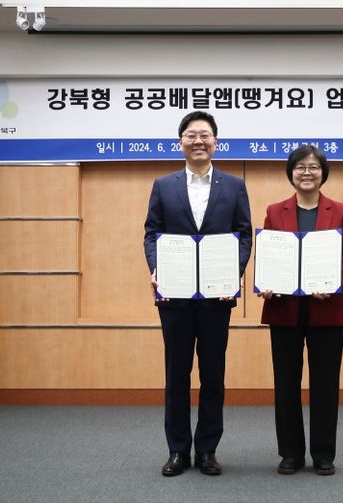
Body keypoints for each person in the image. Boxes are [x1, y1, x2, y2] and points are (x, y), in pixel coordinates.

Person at [143, 111, 252, 477]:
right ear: (181, 143)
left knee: (213, 376)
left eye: (205, 135)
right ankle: (177, 450)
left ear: (215, 142)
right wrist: (156, 267)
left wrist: (233, 274)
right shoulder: (163, 185)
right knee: (176, 376)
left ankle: (207, 450)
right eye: (191, 135)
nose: (198, 141)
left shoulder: (234, 186)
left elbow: (244, 234)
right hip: (174, 298)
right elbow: (152, 233)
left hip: (216, 299)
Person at [257, 144, 343, 476]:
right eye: (300, 167)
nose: (306, 172)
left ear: (323, 173)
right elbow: (268, 255)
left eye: (313, 167)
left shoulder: (339, 210)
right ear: (291, 173)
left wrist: (332, 281)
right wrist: (266, 282)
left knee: (325, 383)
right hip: (284, 308)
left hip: (327, 308)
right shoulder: (275, 211)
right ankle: (290, 453)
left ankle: (323, 453)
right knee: (285, 383)